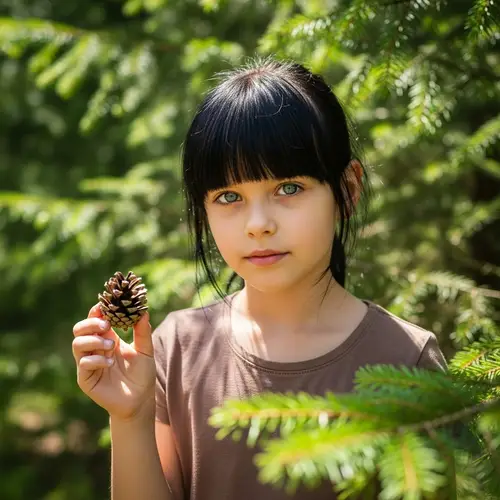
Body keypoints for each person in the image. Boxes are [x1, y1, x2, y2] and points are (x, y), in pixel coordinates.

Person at [72, 58, 447, 500]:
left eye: (288, 188)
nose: (258, 224)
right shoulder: (175, 349)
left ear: (346, 191)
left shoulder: (407, 359)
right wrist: (130, 416)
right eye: (229, 196)